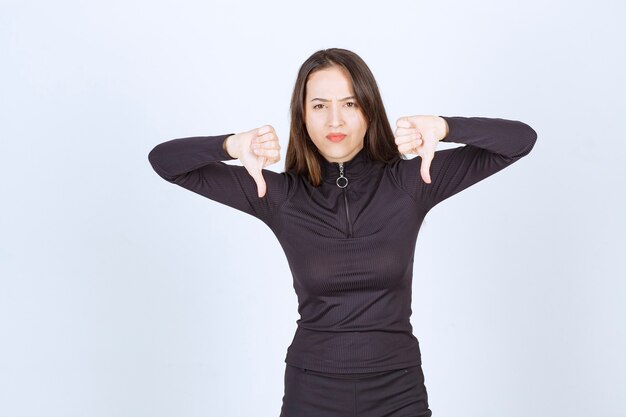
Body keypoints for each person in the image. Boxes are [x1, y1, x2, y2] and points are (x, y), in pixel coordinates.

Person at [148, 48, 537, 417]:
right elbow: (165, 161)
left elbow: (520, 141)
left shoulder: (413, 180)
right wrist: (231, 145)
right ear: (302, 117)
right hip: (312, 391)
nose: (335, 121)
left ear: (369, 111)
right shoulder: (277, 195)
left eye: (350, 104)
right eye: (319, 106)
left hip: (398, 391)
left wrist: (446, 126)